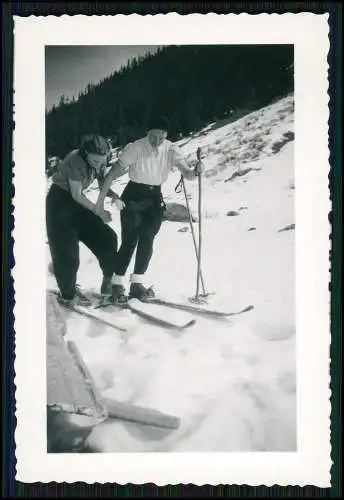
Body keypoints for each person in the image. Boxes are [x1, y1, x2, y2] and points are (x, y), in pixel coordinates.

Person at [94, 116, 203, 303]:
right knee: (129, 240)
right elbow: (112, 174)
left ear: (166, 136)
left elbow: (188, 173)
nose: (157, 141)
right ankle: (117, 283)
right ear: (147, 133)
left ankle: (137, 284)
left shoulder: (171, 149)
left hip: (154, 198)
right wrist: (102, 201)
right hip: (133, 196)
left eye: (161, 137)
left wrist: (196, 171)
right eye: (153, 137)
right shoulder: (136, 147)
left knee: (147, 240)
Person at [46, 134, 123, 307]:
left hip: (76, 204)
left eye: (101, 161)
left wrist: (114, 196)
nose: (98, 164)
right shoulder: (75, 159)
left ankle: (108, 280)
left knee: (107, 238)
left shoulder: (99, 160)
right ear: (86, 154)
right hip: (59, 203)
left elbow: (103, 182)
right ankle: (68, 294)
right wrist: (99, 212)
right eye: (95, 161)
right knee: (67, 254)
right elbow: (76, 194)